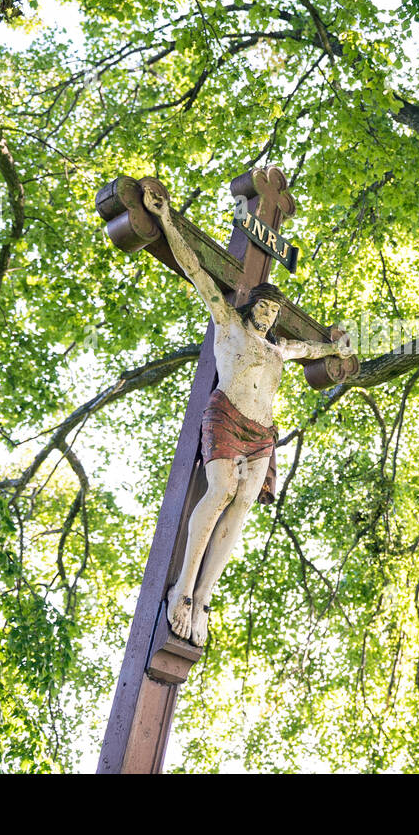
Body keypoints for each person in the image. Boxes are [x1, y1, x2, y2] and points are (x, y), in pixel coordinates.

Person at [142, 185, 353, 645]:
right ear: (251, 305)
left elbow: (315, 348)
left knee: (239, 512)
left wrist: (337, 346)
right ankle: (181, 589)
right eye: (263, 305)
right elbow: (196, 271)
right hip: (227, 416)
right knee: (219, 493)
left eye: (274, 310)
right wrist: (165, 220)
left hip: (262, 433)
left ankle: (202, 597)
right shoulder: (228, 322)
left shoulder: (280, 347)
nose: (268, 314)